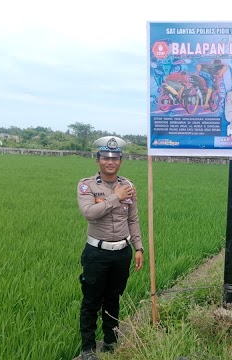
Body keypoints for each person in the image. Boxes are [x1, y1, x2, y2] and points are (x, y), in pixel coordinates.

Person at [76, 136, 144, 360]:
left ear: (121, 161)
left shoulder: (129, 186)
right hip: (97, 253)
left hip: (122, 253)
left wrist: (138, 248)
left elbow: (133, 219)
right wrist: (116, 197)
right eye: (105, 157)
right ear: (98, 160)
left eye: (115, 158)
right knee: (91, 301)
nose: (110, 162)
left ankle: (111, 341)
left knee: (114, 297)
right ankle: (87, 348)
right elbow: (90, 213)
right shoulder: (87, 186)